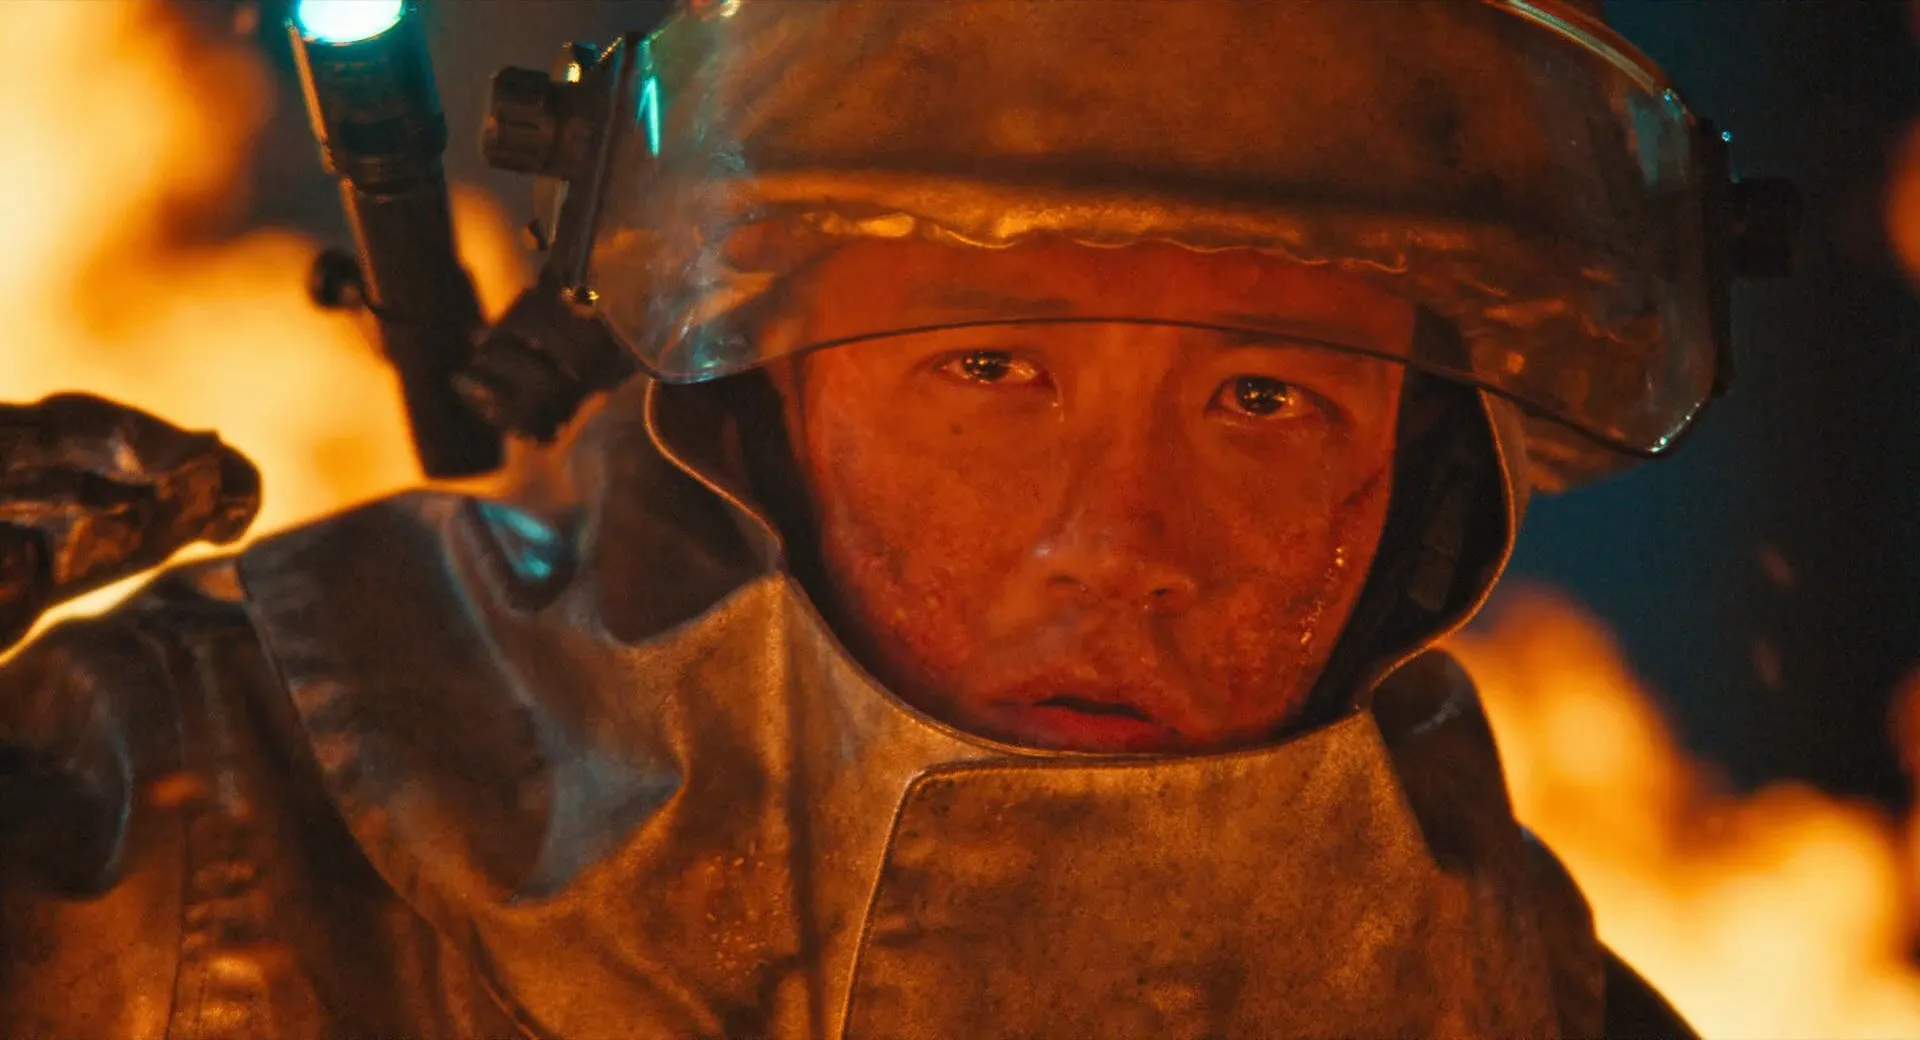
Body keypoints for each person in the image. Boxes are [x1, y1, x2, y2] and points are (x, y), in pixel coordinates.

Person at [0, 1, 1733, 1036]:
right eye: (988, 366)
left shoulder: (1528, 1006)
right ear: (756, 408)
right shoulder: (191, 832)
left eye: (1265, 401)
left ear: (1422, 481)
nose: (1122, 543)